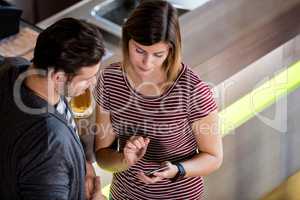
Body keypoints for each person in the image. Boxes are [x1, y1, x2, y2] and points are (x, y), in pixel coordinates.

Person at [93, 1, 223, 199]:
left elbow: (213, 157)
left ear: (171, 50)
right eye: (140, 51)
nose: (147, 63)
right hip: (125, 195)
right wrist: (125, 159)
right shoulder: (110, 80)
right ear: (127, 39)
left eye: (158, 54)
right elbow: (102, 156)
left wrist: (177, 169)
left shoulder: (192, 90)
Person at [0, 18, 106, 200]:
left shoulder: (13, 67)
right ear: (58, 78)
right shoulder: (49, 145)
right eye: (87, 78)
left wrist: (79, 164)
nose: (93, 83)